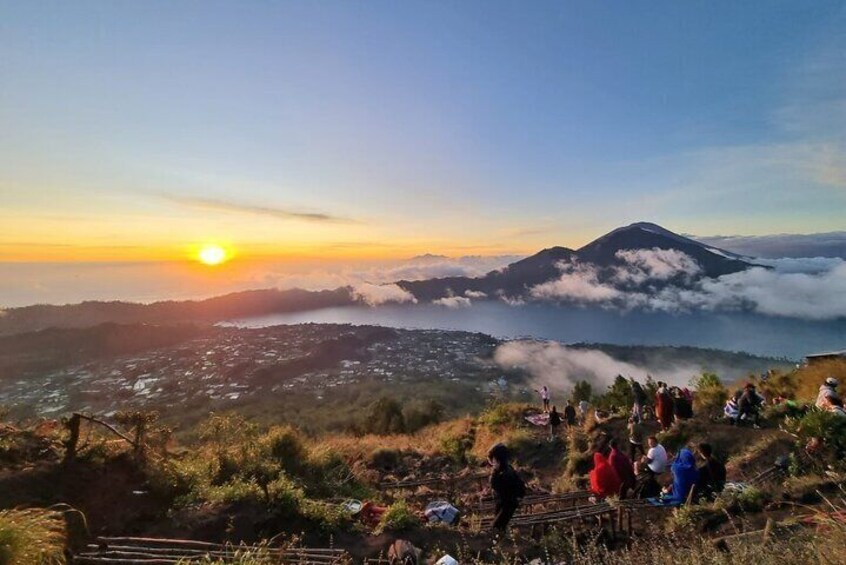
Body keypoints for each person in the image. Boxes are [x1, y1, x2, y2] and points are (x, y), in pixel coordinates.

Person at [486, 443, 525, 533]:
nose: (492, 464)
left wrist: (494, 474)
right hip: (503, 503)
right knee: (499, 528)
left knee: (496, 528)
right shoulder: (506, 470)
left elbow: (496, 485)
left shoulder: (505, 474)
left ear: (499, 460)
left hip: (507, 504)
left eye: (494, 461)